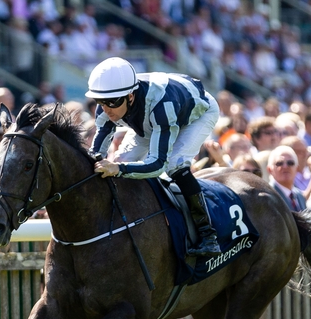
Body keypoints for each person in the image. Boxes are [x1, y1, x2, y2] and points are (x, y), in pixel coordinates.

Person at [86, 57, 220, 257]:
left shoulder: (162, 107)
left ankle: (208, 234)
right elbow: (97, 153)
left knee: (174, 165)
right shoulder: (109, 101)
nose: (106, 109)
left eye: (112, 103)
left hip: (196, 112)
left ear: (130, 96)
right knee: (121, 161)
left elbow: (157, 164)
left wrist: (119, 169)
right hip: (150, 115)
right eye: (100, 102)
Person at [267, 145, 306, 212]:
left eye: (290, 163)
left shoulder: (300, 196)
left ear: (297, 168)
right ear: (270, 170)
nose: (285, 166)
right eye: (279, 163)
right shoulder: (267, 195)